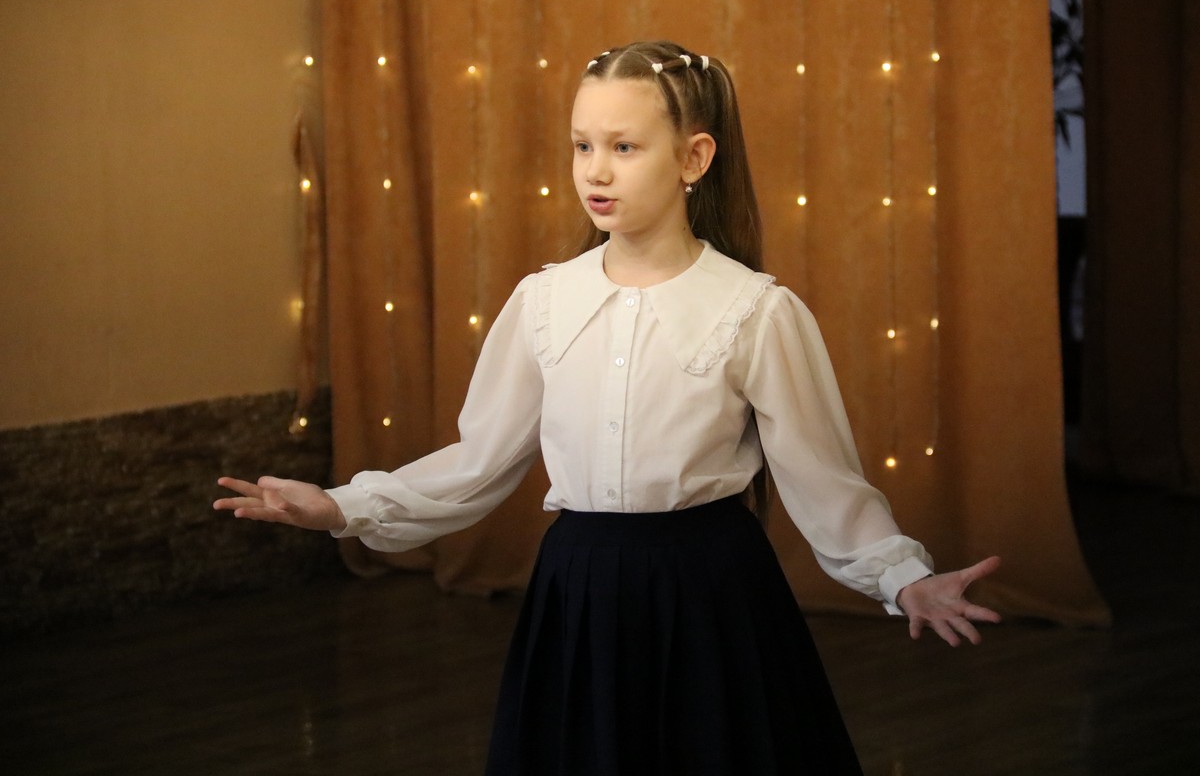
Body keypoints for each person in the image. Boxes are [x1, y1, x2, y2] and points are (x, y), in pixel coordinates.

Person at [215, 40, 1001, 775]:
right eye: (582, 145)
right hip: (579, 594)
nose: (596, 170)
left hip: (712, 598)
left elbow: (823, 481)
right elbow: (479, 461)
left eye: (625, 147)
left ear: (694, 158)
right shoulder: (543, 303)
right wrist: (342, 506)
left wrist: (903, 578)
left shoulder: (756, 312)